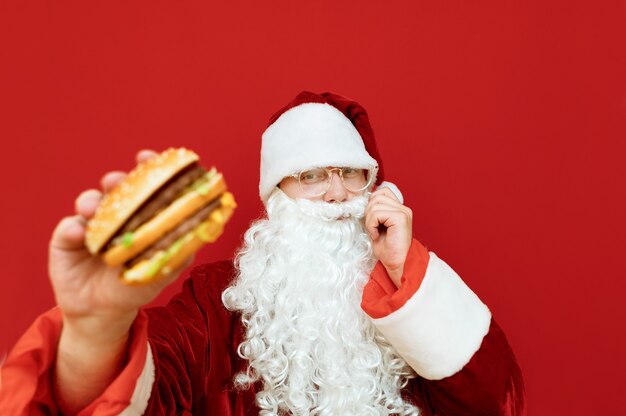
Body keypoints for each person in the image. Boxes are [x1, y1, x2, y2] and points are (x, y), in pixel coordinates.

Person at [0, 91, 525, 415]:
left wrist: (402, 270)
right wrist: (98, 327)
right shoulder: (214, 301)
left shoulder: (404, 291)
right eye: (311, 176)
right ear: (276, 198)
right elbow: (149, 395)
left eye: (351, 173)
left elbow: (495, 404)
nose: (338, 194)